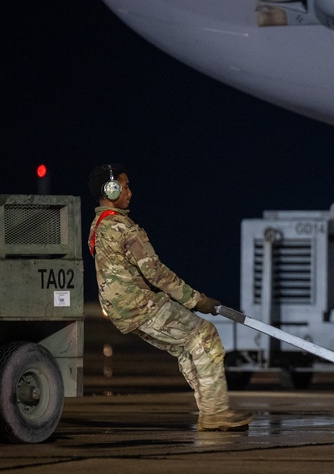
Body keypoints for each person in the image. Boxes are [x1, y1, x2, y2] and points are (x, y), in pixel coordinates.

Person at [87, 164, 252, 431]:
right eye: (125, 186)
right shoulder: (123, 227)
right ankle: (216, 413)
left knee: (188, 345)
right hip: (140, 305)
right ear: (111, 189)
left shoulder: (99, 225)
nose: (130, 192)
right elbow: (155, 272)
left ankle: (211, 412)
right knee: (205, 335)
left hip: (122, 309)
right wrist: (196, 299)